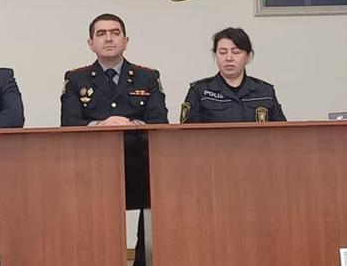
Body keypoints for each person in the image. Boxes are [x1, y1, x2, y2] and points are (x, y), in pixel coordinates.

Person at [60, 13, 167, 266]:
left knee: (156, 207)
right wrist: (101, 125)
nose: (108, 38)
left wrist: (130, 124)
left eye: (115, 33)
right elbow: (69, 123)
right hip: (93, 165)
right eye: (101, 34)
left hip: (140, 162)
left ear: (126, 41)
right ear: (91, 44)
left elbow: (160, 122)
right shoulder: (76, 79)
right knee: (93, 226)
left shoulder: (148, 77)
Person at [181, 27, 286, 123]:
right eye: (223, 52)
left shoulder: (265, 92)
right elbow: (188, 134)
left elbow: (282, 132)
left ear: (248, 56)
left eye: (236, 52)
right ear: (215, 55)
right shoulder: (200, 91)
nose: (229, 58)